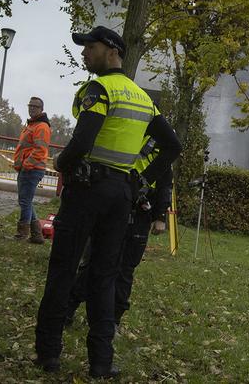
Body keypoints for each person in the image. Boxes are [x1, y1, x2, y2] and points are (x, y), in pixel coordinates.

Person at [33, 26, 181, 379]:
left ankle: (48, 354)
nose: (85, 53)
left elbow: (82, 141)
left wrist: (61, 163)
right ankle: (101, 362)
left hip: (87, 190)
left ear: (112, 51)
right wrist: (141, 178)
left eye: (90, 47)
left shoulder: (98, 89)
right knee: (104, 277)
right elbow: (172, 146)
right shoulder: (143, 98)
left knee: (64, 271)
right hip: (121, 196)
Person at [65, 136, 173, 328]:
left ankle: (112, 320)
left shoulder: (159, 144)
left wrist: (161, 216)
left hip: (140, 212)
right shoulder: (124, 136)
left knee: (125, 269)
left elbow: (165, 183)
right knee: (94, 262)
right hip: (113, 205)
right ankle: (68, 309)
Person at [11, 96, 51, 243]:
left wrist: (26, 164)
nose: (32, 108)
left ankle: (22, 234)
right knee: (26, 201)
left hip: (32, 170)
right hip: (28, 169)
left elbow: (40, 150)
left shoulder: (41, 126)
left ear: (41, 109)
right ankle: (37, 235)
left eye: (35, 106)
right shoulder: (32, 125)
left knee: (25, 201)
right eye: (30, 105)